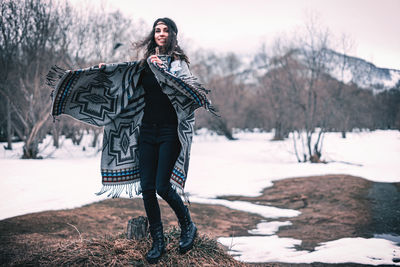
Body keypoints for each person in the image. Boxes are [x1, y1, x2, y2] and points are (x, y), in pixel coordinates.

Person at [47, 17, 217, 264]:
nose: (161, 33)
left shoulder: (179, 64)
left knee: (162, 186)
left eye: (165, 30)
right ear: (153, 35)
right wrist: (107, 72)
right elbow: (123, 81)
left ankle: (188, 226)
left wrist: (164, 69)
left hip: (170, 132)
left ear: (173, 35)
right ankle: (158, 242)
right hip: (146, 131)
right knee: (147, 188)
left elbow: (188, 92)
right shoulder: (144, 65)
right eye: (157, 30)